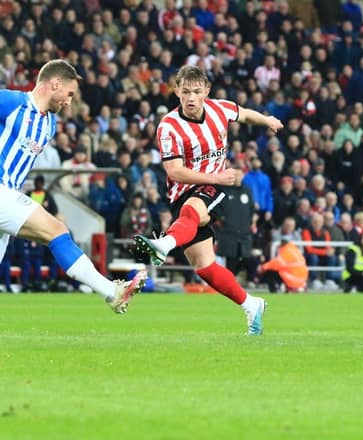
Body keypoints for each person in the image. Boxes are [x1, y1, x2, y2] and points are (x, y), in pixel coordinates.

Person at [132, 65, 283, 335]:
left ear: (207, 92)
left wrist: (267, 119)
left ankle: (163, 244)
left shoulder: (220, 109)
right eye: (186, 92)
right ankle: (252, 304)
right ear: (176, 91)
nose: (191, 98)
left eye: (197, 92)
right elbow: (174, 171)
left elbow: (245, 114)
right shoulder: (168, 127)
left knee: (192, 211)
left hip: (215, 187)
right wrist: (213, 179)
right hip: (185, 190)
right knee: (204, 267)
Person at [0, 59, 146, 312]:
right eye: (69, 94)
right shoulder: (11, 102)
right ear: (54, 84)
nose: (69, 102)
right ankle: (112, 291)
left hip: (9, 193)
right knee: (56, 230)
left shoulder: (49, 124)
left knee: (54, 234)